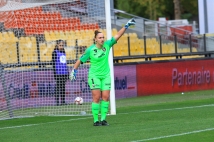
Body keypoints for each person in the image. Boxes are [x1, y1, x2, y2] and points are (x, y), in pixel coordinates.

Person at [70, 18, 136, 126]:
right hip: (94, 76)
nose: (102, 39)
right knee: (96, 97)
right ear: (95, 39)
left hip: (106, 75)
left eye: (103, 37)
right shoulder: (90, 50)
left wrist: (126, 25)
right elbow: (80, 60)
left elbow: (118, 35)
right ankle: (96, 120)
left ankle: (104, 119)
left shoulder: (107, 45)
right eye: (100, 38)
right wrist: (74, 70)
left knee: (105, 97)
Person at [52, 39, 69, 106]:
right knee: (58, 87)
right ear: (57, 45)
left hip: (64, 72)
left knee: (63, 87)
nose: (61, 46)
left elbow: (65, 63)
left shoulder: (63, 52)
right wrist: (55, 73)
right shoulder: (54, 52)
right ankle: (57, 102)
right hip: (58, 73)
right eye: (60, 45)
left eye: (62, 45)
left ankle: (63, 101)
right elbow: (53, 63)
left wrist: (67, 72)